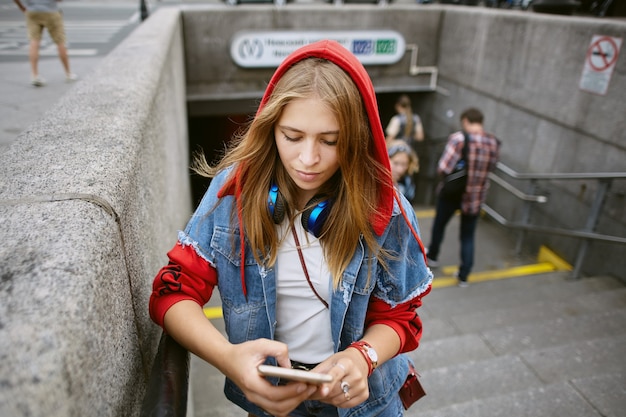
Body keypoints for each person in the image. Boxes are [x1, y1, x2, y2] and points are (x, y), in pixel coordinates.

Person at [149, 40, 432, 417]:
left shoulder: (387, 211)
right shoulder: (232, 195)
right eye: (292, 137)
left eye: (331, 141)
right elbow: (171, 292)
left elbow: (400, 315)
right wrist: (229, 358)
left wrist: (363, 356)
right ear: (271, 129)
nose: (309, 159)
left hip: (364, 403)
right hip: (271, 400)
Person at [425, 108, 500, 287]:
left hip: (453, 193)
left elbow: (443, 167)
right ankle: (464, 275)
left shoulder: (459, 139)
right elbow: (493, 167)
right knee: (467, 235)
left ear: (465, 120)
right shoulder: (493, 142)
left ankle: (433, 256)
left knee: (440, 225)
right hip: (475, 196)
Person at [13, 0, 78, 86]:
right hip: (51, 11)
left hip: (32, 11)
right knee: (60, 42)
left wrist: (21, 6)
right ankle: (68, 73)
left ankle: (35, 75)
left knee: (34, 41)